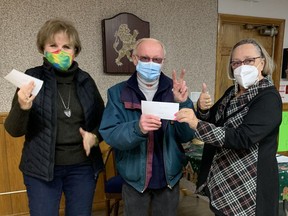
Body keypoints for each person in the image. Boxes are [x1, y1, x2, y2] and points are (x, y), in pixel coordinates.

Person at [4, 18, 105, 216]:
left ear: (75, 51)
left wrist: (94, 136)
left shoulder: (86, 81)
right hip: (41, 170)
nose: (60, 51)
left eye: (66, 46)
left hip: (82, 168)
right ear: (43, 49)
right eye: (53, 45)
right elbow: (14, 130)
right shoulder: (31, 79)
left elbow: (103, 122)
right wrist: (22, 107)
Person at [175, 38, 282, 216]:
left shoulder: (268, 98)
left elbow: (243, 138)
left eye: (249, 60)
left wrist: (197, 123)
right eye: (236, 62)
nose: (242, 66)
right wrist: (202, 109)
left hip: (247, 187)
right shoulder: (231, 92)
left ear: (262, 63)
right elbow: (213, 122)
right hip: (223, 180)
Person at [99, 38, 195, 216]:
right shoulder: (117, 93)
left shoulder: (174, 91)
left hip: (169, 177)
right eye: (145, 58)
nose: (151, 64)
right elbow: (110, 133)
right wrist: (138, 128)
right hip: (134, 178)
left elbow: (187, 135)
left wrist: (183, 103)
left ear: (163, 62)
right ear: (134, 59)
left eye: (156, 60)